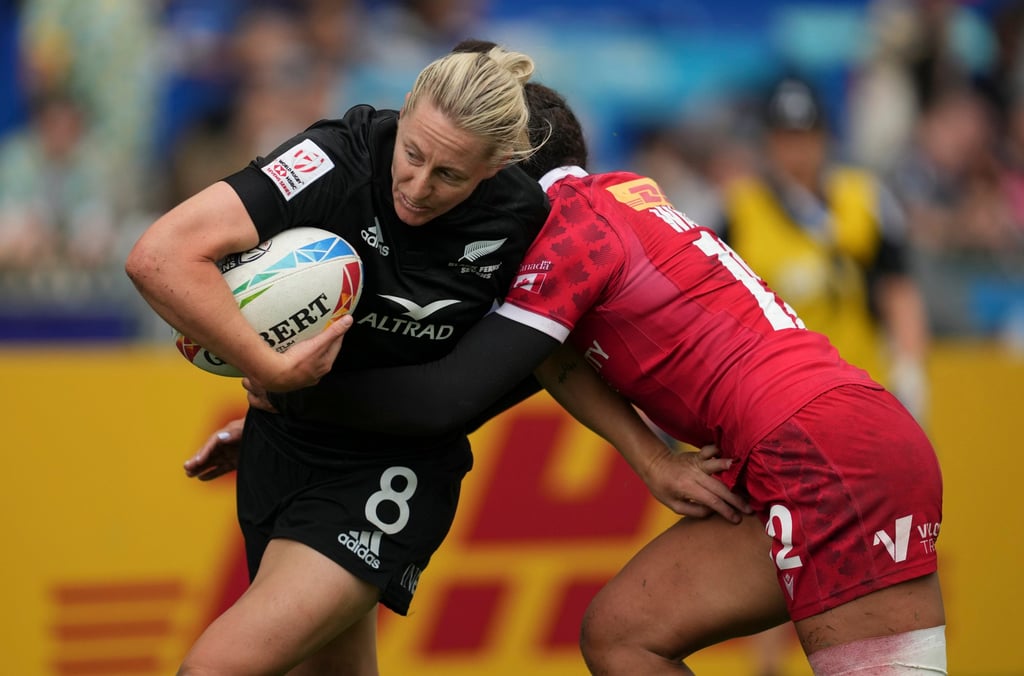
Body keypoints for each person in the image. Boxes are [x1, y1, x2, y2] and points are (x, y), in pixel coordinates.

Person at [267, 81, 947, 674]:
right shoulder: (614, 199)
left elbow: (449, 397)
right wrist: (650, 457)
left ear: (505, 166)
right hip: (828, 436)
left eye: (465, 170)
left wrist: (290, 397)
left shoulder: (567, 233)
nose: (445, 191)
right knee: (623, 635)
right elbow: (540, 360)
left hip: (823, 450)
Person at [127, 45, 591, 676]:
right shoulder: (333, 156)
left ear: (497, 165)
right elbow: (160, 257)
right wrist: (270, 369)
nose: (418, 186)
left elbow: (551, 355)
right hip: (282, 450)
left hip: (391, 472)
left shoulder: (527, 222)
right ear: (402, 114)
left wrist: (651, 462)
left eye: (449, 175)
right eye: (412, 153)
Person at [720, 75, 931, 424]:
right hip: (776, 399)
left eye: (806, 136)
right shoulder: (739, 212)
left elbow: (898, 289)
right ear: (768, 143)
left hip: (859, 385)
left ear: (824, 138)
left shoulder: (864, 199)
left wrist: (909, 368)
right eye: (785, 138)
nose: (797, 151)